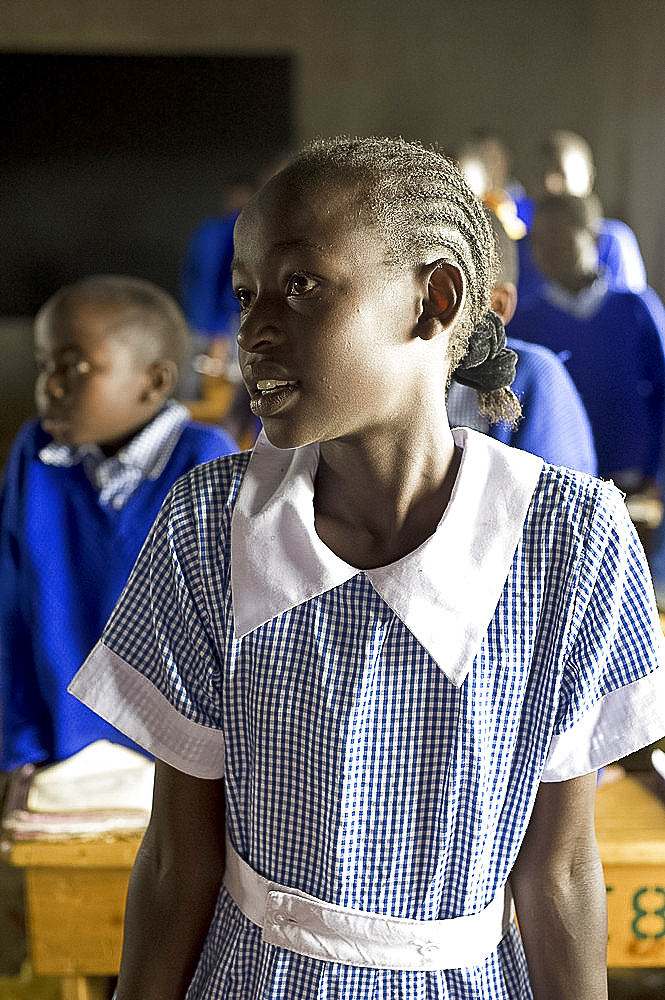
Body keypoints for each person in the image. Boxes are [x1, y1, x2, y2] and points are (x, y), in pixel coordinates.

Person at [69, 137, 665, 1000]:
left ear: (434, 299)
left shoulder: (568, 541)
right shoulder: (210, 522)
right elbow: (175, 860)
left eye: (301, 285)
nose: (253, 328)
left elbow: (559, 874)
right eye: (245, 295)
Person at [0, 274, 238, 772]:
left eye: (75, 367)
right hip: (55, 756)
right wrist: (18, 750)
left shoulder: (207, 462)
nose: (51, 387)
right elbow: (10, 609)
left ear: (154, 382)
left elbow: (228, 642)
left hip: (175, 766)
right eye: (45, 367)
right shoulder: (37, 455)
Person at [508, 193, 665, 495]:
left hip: (631, 478)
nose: (549, 250)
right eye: (539, 240)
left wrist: (654, 472)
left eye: (562, 236)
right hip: (554, 482)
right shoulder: (524, 324)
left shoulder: (636, 309)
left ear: (593, 237)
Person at [447, 209, 597, 474]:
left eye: (443, 294)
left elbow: (558, 509)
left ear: (496, 305)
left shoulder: (534, 377)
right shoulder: (395, 378)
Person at [517, 129, 647, 310]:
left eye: (560, 172)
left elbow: (629, 313)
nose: (549, 184)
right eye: (540, 175)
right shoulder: (520, 249)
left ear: (589, 177)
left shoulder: (612, 241)